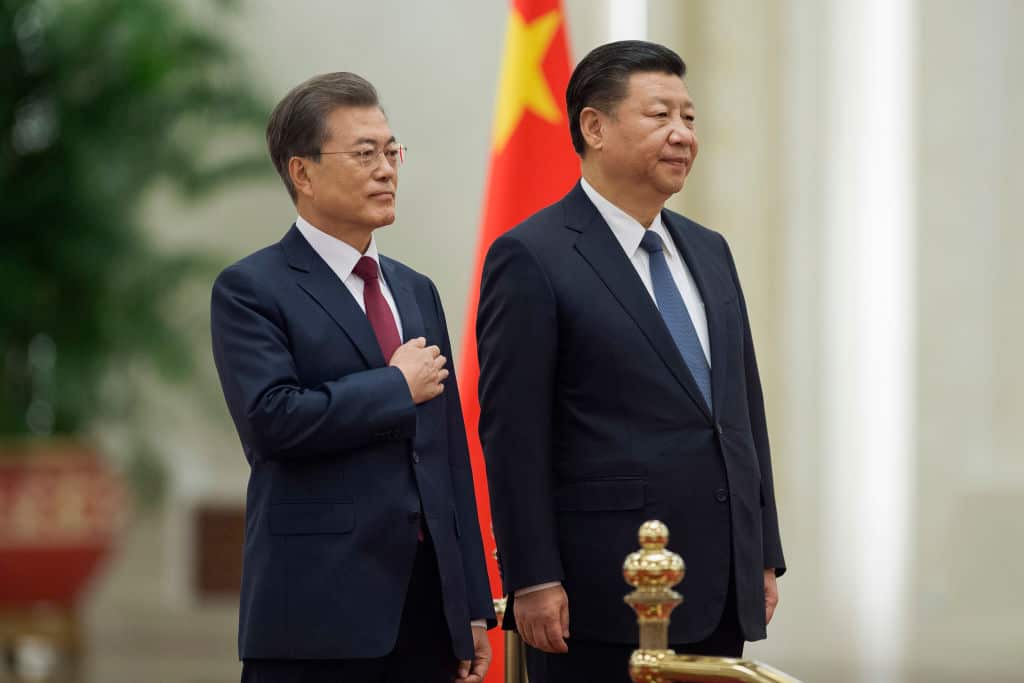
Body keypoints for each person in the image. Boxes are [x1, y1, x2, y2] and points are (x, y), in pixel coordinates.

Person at [476, 41, 786, 682]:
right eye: (660, 115)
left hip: (718, 580)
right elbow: (513, 434)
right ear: (594, 126)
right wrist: (533, 576)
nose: (683, 134)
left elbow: (741, 411)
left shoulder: (709, 250)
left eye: (690, 117)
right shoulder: (532, 256)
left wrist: (761, 552)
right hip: (599, 589)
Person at [210, 72, 494, 683]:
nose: (387, 170)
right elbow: (271, 421)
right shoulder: (251, 289)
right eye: (364, 154)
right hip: (316, 614)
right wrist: (394, 388)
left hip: (426, 614)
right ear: (303, 173)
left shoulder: (415, 290)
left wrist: (471, 604)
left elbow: (447, 455)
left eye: (392, 152)